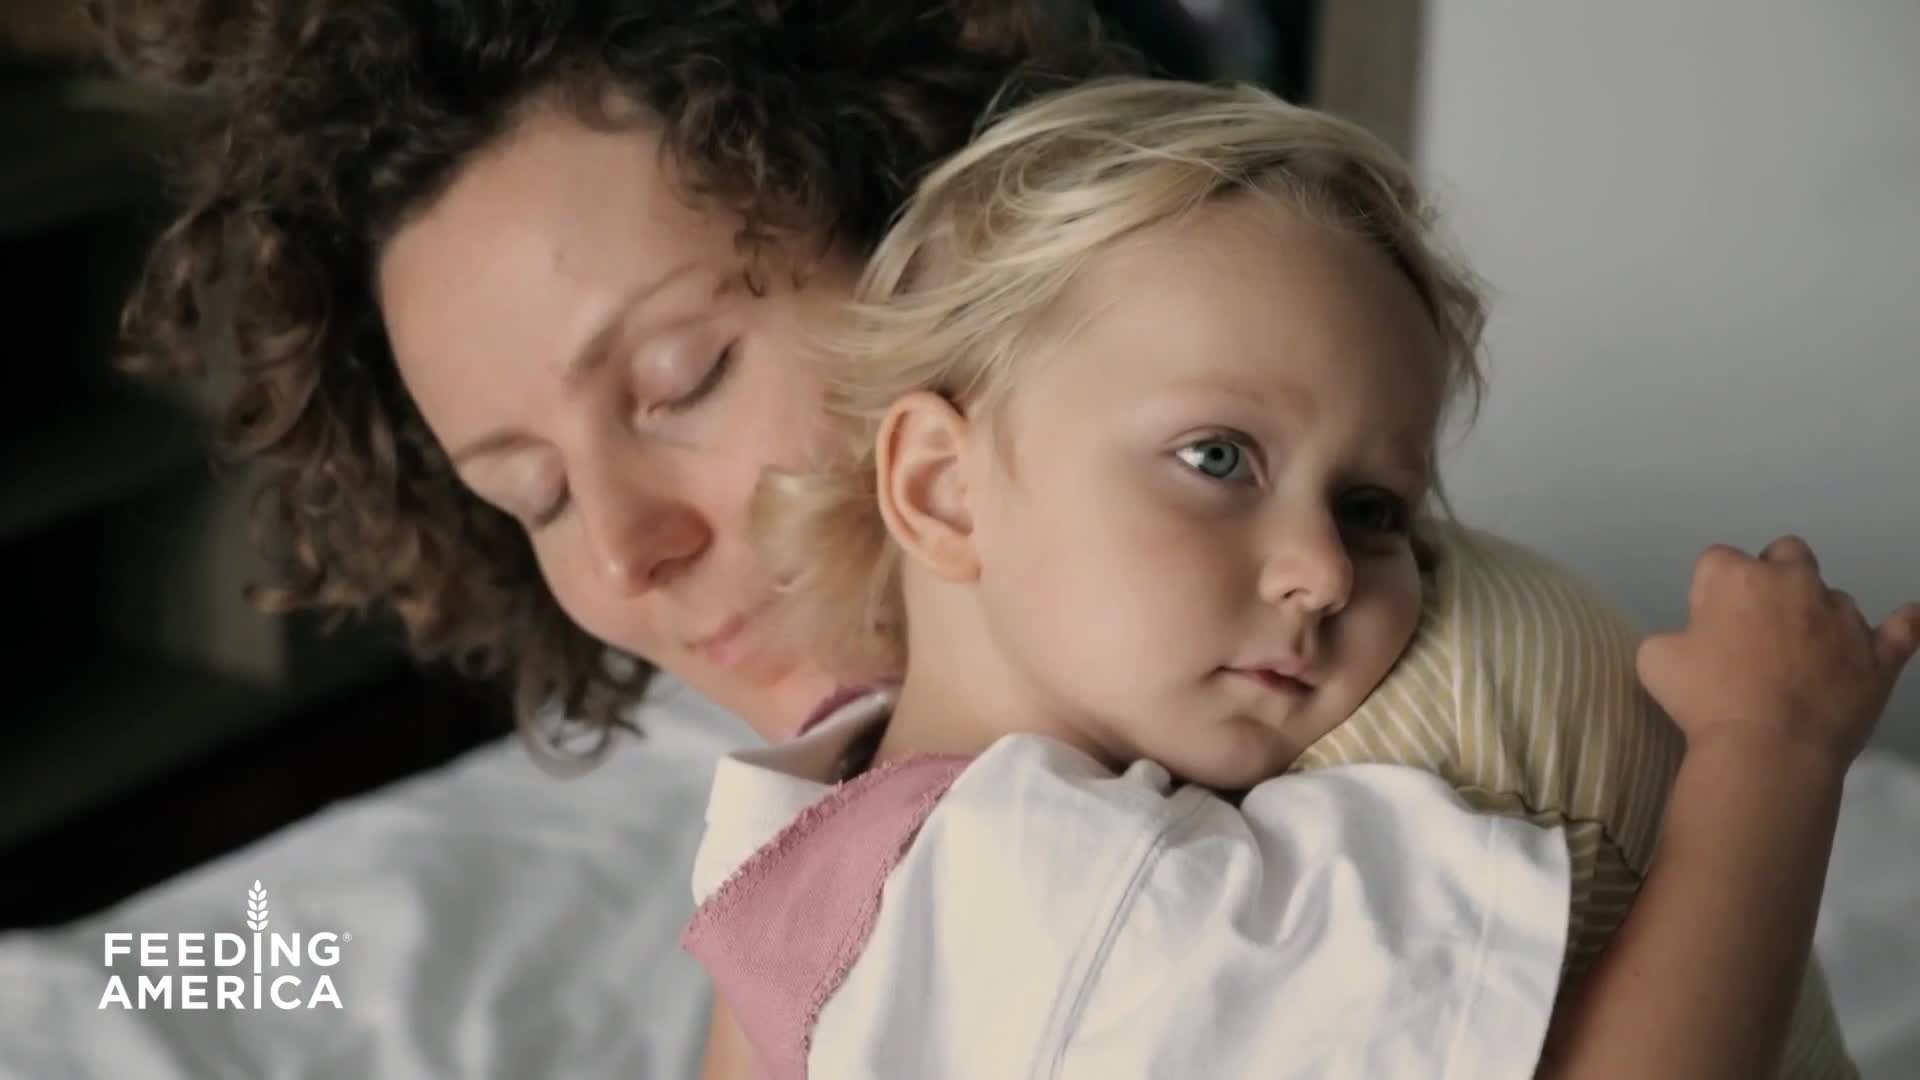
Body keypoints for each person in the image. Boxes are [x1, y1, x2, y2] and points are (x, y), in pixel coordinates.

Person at [96, 1, 1889, 1075]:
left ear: (928, 242)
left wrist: (1775, 759)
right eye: (528, 496)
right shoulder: (884, 801)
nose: (625, 554)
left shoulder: (1393, 706)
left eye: (684, 373)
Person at [677, 76, 1920, 1079]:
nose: (1324, 570)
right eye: (1217, 456)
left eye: (1374, 508)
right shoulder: (1086, 894)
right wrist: (1774, 754)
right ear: (945, 490)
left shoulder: (833, 793)